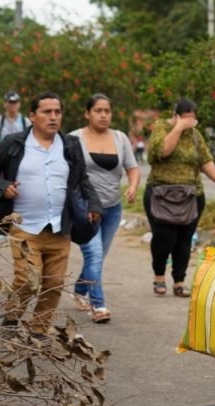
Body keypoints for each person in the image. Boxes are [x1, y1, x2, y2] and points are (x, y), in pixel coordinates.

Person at [0, 92, 103, 339]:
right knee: (28, 280)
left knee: (54, 283)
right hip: (25, 226)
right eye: (47, 112)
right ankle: (12, 319)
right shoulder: (14, 143)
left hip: (59, 227)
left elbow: (82, 179)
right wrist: (3, 187)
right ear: (32, 116)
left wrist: (95, 205)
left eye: (57, 112)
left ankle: (38, 329)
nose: (53, 117)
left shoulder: (70, 145)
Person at [144, 98, 215, 297]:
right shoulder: (162, 128)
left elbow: (205, 161)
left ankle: (179, 281)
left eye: (192, 120)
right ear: (176, 115)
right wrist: (178, 128)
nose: (190, 123)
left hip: (191, 196)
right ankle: (159, 276)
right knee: (165, 238)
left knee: (184, 240)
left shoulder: (196, 136)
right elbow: (162, 151)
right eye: (186, 119)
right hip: (161, 196)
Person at [69, 94, 140, 322]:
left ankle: (80, 289)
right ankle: (98, 306)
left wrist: (133, 186)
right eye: (98, 110)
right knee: (95, 254)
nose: (103, 115)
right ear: (87, 113)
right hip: (86, 209)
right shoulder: (74, 139)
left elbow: (132, 167)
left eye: (107, 111)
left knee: (98, 257)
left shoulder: (120, 138)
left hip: (112, 208)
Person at [0, 91, 31, 160]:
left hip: (19, 157)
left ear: (19, 104)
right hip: (1, 157)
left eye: (15, 103)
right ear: (5, 104)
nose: (13, 105)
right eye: (10, 102)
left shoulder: (26, 121)